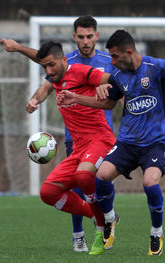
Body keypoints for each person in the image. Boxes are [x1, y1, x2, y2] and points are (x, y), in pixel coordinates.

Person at [56, 29, 165, 255]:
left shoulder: (156, 66)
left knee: (149, 182)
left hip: (155, 141)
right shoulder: (118, 74)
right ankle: (110, 218)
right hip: (127, 141)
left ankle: (156, 233)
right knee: (100, 176)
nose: (112, 62)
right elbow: (108, 103)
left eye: (115, 56)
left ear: (128, 52)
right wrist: (76, 98)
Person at [1, 15, 115, 252]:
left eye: (89, 36)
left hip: (101, 136)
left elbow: (120, 81)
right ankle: (83, 231)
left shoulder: (101, 63)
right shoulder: (59, 67)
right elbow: (44, 67)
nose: (85, 41)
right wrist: (35, 99)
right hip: (76, 139)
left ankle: (105, 221)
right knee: (62, 189)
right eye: (80, 36)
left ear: (96, 36)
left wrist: (111, 88)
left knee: (97, 182)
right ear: (74, 38)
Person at [25, 40, 117, 255]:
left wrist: (105, 85)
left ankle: (103, 227)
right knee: (48, 193)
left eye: (51, 65)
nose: (49, 70)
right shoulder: (54, 78)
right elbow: (44, 82)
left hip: (100, 139)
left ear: (64, 60)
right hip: (79, 147)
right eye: (45, 67)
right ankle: (97, 216)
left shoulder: (81, 71)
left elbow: (114, 82)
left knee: (84, 176)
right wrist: (34, 100)